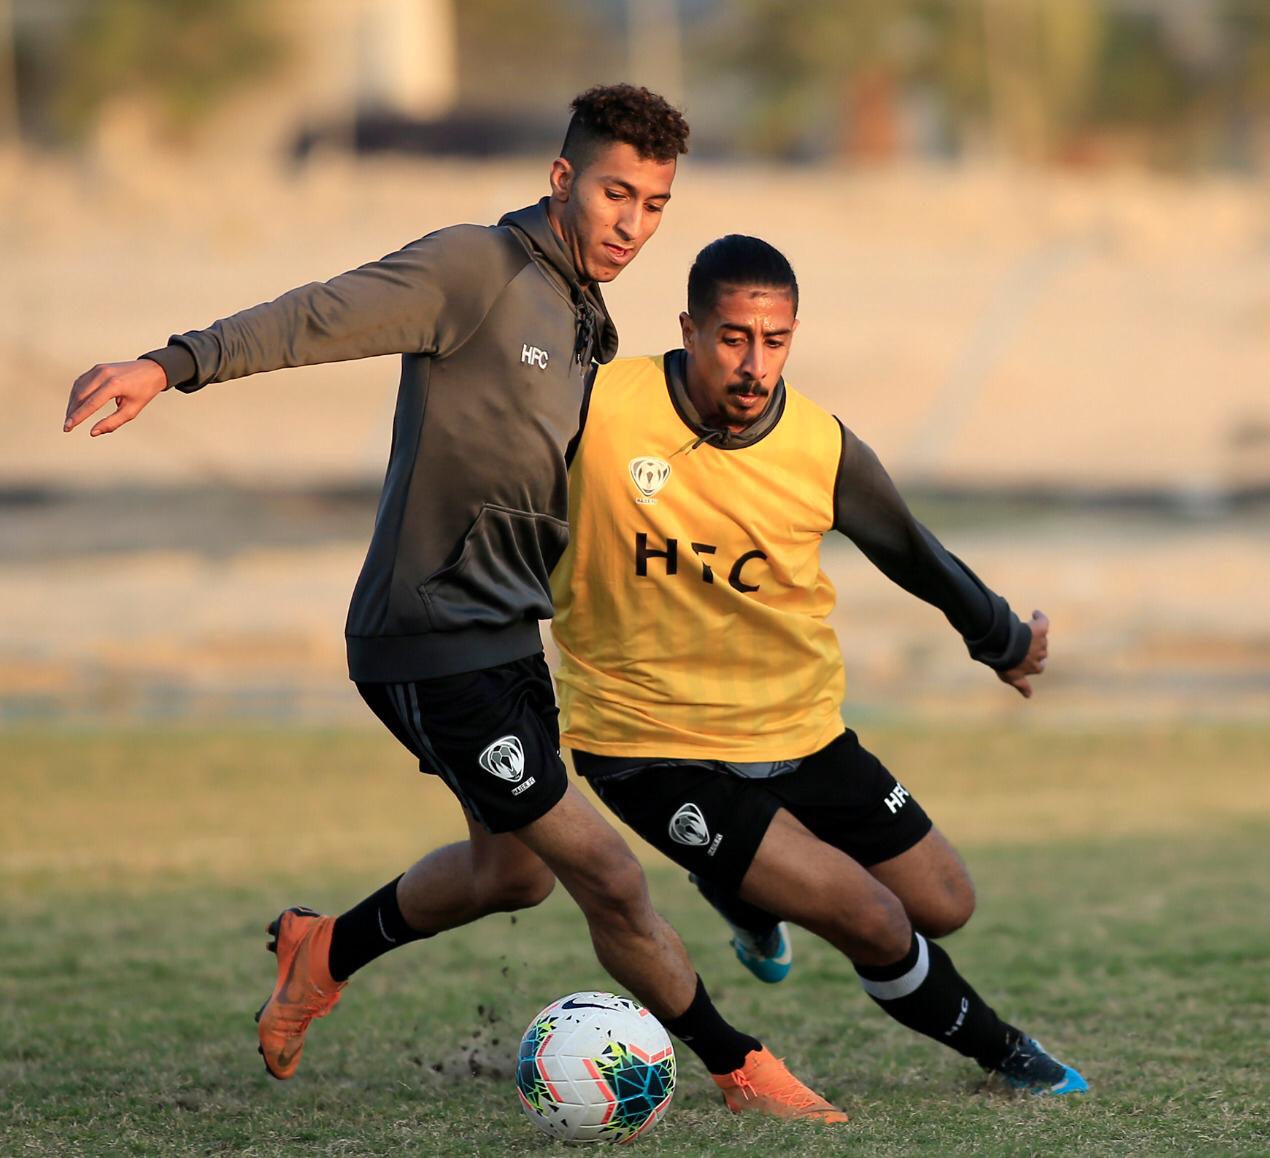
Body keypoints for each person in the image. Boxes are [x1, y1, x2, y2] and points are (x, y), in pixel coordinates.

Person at [62, 91, 844, 1122]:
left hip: (505, 639)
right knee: (607, 875)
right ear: (562, 180)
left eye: (653, 204)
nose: (631, 224)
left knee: (512, 873)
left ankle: (321, 949)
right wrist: (171, 363)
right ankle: (740, 1069)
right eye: (614, 193)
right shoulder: (476, 269)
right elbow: (319, 314)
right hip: (425, 638)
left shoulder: (585, 320)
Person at [549, 234, 1089, 1096]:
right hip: (651, 745)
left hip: (799, 731)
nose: (754, 364)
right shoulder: (598, 406)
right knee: (871, 918)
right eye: (733, 338)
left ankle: (738, 891)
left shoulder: (819, 447)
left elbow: (913, 551)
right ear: (687, 329)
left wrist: (1001, 639)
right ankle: (1007, 1056)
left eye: (775, 341)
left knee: (946, 902)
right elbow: (486, 470)